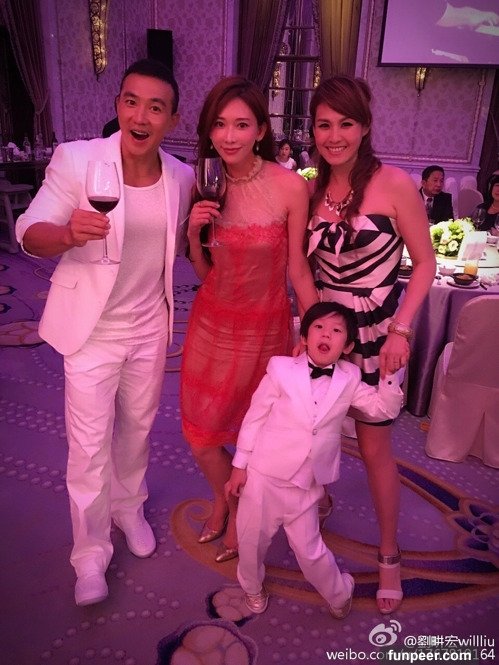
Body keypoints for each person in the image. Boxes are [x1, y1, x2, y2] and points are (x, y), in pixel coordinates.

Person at [15, 59, 195, 606]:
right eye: (131, 101)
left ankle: (128, 507)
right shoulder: (78, 159)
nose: (140, 116)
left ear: (172, 119)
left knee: (137, 432)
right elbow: (28, 232)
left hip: (149, 328)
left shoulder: (181, 177)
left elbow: (184, 247)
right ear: (118, 105)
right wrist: (68, 234)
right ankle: (90, 554)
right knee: (89, 447)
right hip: (92, 331)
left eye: (155, 108)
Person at [307, 75, 436, 613]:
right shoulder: (311, 190)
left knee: (375, 448)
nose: (334, 136)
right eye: (323, 124)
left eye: (346, 123)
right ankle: (314, 506)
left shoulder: (395, 184)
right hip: (326, 335)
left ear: (365, 127)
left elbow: (425, 262)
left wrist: (402, 329)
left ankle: (388, 553)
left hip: (380, 335)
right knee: (316, 433)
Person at [181, 76, 318, 563]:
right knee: (201, 436)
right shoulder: (205, 182)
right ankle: (227, 500)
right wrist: (193, 235)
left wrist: (312, 328)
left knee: (251, 436)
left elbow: (297, 268)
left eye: (241, 125)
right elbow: (205, 273)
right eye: (219, 124)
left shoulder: (289, 187)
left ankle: (235, 510)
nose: (229, 136)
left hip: (264, 329)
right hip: (210, 326)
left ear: (261, 130)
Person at [225, 301, 403, 617]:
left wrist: (388, 378)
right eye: (318, 327)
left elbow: (382, 410)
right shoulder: (280, 369)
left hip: (306, 484)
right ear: (305, 337)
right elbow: (255, 417)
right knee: (251, 542)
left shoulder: (350, 377)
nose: (326, 334)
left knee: (310, 552)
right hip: (264, 476)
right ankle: (252, 587)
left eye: (336, 331)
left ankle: (339, 593)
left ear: (347, 346)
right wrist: (239, 465)